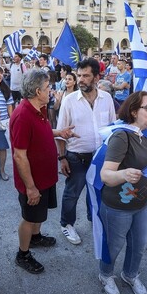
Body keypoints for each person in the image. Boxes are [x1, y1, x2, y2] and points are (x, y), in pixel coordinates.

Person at [97, 91, 147, 294]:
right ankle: (106, 275)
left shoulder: (145, 133)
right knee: (113, 246)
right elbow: (105, 175)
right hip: (118, 207)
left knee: (138, 245)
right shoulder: (122, 136)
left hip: (143, 203)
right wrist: (124, 173)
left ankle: (130, 275)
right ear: (134, 111)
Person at [10, 69, 77, 273]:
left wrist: (59, 132)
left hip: (45, 178)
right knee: (30, 217)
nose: (51, 91)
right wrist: (30, 188)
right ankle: (23, 254)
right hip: (34, 182)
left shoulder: (39, 109)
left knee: (38, 214)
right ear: (38, 91)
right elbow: (19, 156)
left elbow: (42, 132)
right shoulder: (23, 115)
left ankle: (36, 238)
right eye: (48, 88)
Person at [56, 58, 116, 244]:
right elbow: (60, 132)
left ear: (97, 77)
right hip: (76, 157)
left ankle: (95, 219)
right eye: (79, 75)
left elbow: (113, 128)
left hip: (100, 157)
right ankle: (67, 225)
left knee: (97, 192)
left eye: (86, 76)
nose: (81, 79)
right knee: (72, 193)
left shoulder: (106, 99)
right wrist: (62, 157)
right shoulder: (69, 100)